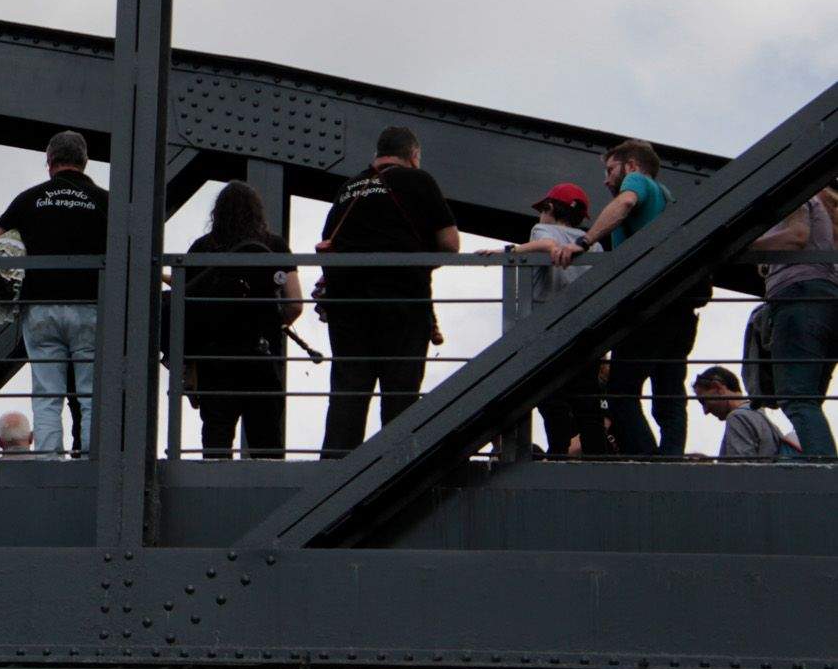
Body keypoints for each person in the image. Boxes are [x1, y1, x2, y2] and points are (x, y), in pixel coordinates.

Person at [317, 127, 460, 456]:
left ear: (378, 155)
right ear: (413, 155)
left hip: (347, 308)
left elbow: (329, 246)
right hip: (403, 305)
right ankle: (393, 468)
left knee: (348, 396)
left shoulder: (349, 187)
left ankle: (332, 474)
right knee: (400, 396)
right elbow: (450, 244)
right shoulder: (419, 180)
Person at [550, 139, 698, 455]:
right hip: (680, 306)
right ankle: (672, 461)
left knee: (620, 394)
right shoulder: (668, 196)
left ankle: (648, 463)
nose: (606, 180)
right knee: (669, 395)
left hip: (649, 304)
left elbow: (626, 202)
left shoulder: (637, 181)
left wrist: (585, 241)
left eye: (610, 170)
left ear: (630, 165)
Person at [0, 131, 107, 457]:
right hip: (90, 306)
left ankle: (49, 460)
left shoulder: (29, 198)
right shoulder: (105, 200)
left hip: (40, 306)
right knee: (90, 393)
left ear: (49, 161)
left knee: (47, 395)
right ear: (84, 162)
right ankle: (92, 460)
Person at [479, 183, 603, 454]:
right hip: (582, 329)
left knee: (551, 398)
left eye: (542, 210)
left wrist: (510, 251)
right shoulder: (594, 245)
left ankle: (559, 453)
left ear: (549, 208)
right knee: (586, 400)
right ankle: (596, 456)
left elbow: (547, 244)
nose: (539, 216)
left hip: (547, 330)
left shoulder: (541, 230)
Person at [184, 182, 301, 459]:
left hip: (215, 360)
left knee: (216, 438)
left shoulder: (202, 249)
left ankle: (212, 496)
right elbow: (295, 302)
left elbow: (186, 307)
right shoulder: (273, 245)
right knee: (266, 443)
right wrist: (276, 321)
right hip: (261, 355)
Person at [747, 184, 838, 457]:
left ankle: (825, 472)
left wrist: (747, 245)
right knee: (809, 400)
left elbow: (797, 237)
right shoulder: (824, 214)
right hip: (826, 299)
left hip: (798, 298)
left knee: (798, 398)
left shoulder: (797, 195)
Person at [693, 366, 792, 459]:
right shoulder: (759, 415)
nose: (705, 411)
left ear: (718, 387)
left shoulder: (738, 417)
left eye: (704, 401)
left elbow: (741, 471)